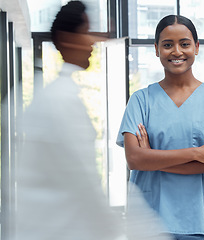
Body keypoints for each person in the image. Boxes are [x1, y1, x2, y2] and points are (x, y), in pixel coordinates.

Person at [116, 15, 204, 240]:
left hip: (201, 222)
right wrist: (197, 153)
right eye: (167, 45)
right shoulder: (140, 100)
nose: (176, 51)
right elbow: (134, 160)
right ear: (156, 49)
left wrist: (152, 158)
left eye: (184, 44)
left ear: (196, 47)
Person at [15, 1, 123, 239]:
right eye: (86, 32)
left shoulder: (56, 96)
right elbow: (86, 184)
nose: (93, 42)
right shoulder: (61, 101)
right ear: (66, 38)